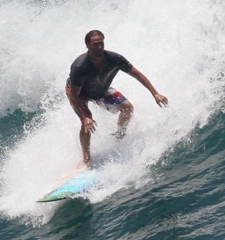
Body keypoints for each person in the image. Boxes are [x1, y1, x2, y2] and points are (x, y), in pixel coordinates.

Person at [65, 30, 168, 166]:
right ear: (87, 46)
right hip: (78, 94)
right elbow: (74, 94)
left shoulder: (115, 59)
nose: (99, 47)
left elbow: (138, 75)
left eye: (101, 43)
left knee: (127, 108)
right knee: (87, 120)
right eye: (95, 44)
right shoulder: (80, 67)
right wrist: (84, 117)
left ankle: (119, 135)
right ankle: (86, 159)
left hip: (100, 90)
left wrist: (155, 93)